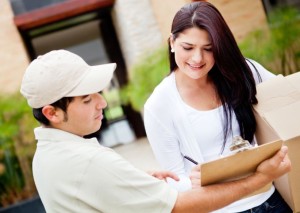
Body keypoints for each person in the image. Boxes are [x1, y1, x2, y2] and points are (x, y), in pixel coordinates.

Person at [20, 49, 291, 213]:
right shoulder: (88, 162)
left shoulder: (46, 156)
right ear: (52, 112)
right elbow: (178, 208)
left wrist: (130, 183)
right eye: (87, 99)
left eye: (98, 94)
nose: (102, 103)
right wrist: (258, 180)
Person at [143, 1, 292, 213]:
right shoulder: (159, 106)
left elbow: (287, 98)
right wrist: (197, 181)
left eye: (208, 49)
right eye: (188, 47)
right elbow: (176, 180)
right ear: (172, 42)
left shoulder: (242, 71)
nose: (197, 58)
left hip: (271, 200)